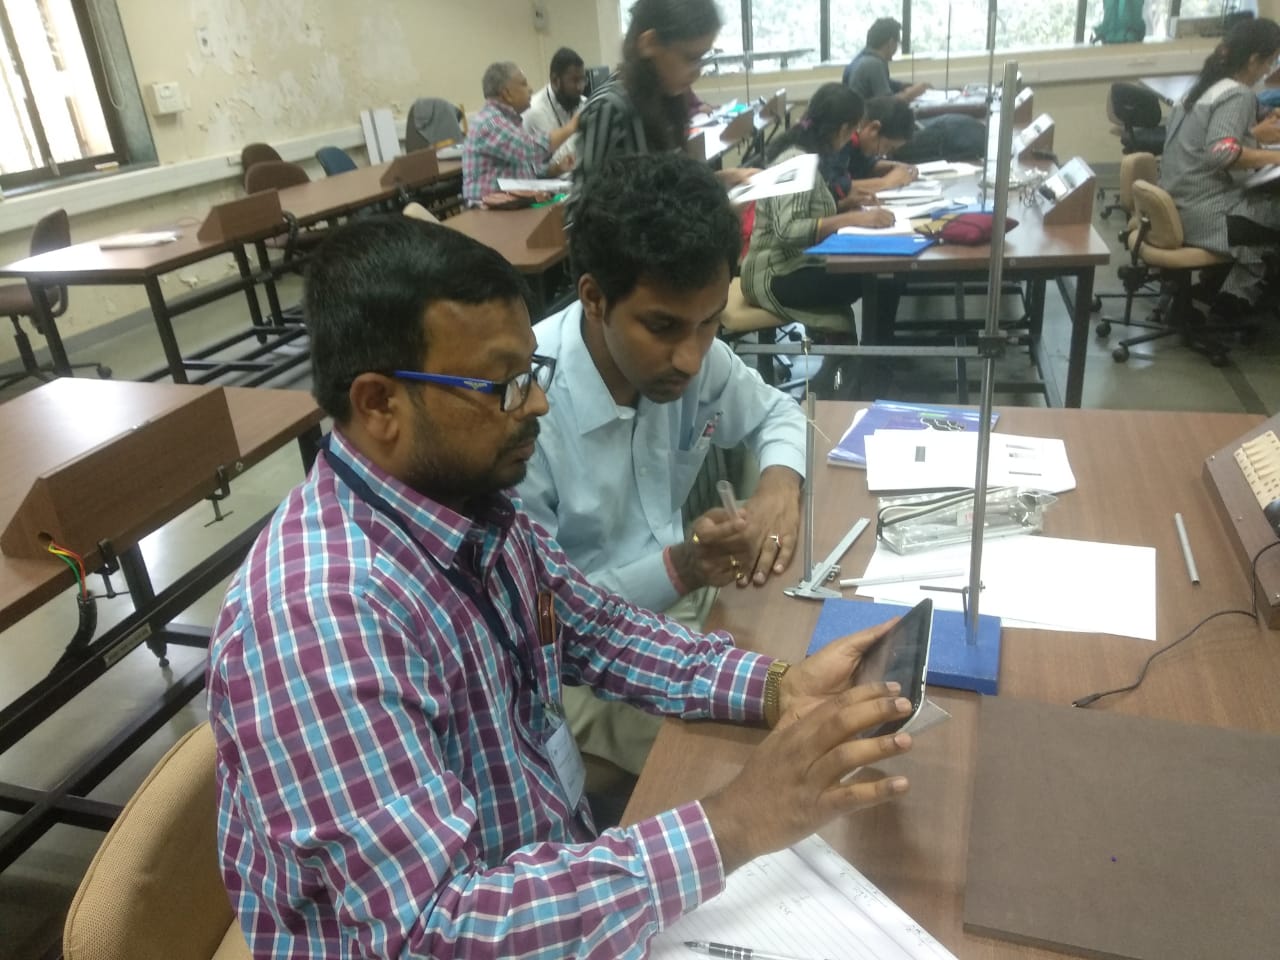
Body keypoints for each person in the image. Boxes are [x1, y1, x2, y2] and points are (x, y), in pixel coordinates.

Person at [206, 214, 915, 958]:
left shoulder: (470, 505)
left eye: (532, 374)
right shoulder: (318, 624)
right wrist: (733, 823)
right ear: (380, 403)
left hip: (539, 871)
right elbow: (434, 932)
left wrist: (775, 686)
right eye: (503, 387)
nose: (537, 405)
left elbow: (595, 628)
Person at [519, 152, 807, 775]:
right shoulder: (523, 408)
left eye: (709, 324)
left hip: (682, 609)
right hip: (575, 670)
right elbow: (539, 618)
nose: (690, 357)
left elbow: (779, 413)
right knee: (752, 760)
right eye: (663, 327)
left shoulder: (690, 354)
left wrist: (778, 489)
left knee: (807, 654)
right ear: (594, 298)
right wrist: (680, 567)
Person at [741, 84, 901, 368]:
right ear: (843, 129)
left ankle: (871, 366)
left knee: (884, 278)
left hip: (794, 265)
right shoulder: (797, 160)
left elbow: (805, 212)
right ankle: (869, 370)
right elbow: (788, 231)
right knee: (879, 279)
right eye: (852, 130)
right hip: (774, 274)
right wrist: (853, 218)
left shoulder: (809, 154)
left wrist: (845, 205)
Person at [1160, 18, 1280, 324]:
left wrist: (1256, 137)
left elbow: (1211, 142)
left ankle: (1223, 290)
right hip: (1208, 216)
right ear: (1253, 59)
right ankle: (1234, 299)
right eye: (1269, 62)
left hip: (1177, 208)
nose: (1269, 71)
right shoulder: (1237, 94)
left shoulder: (1200, 90)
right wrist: (1275, 157)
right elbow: (1222, 152)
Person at [575, 0, 752, 189]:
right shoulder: (609, 108)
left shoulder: (666, 98)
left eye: (702, 59)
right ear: (649, 43)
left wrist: (717, 183)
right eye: (690, 58)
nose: (697, 72)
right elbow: (587, 204)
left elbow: (666, 187)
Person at [462, 61, 578, 205]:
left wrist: (555, 169)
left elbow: (523, 169)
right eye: (524, 84)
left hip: (508, 205)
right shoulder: (490, 123)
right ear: (507, 93)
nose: (530, 89)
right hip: (486, 210)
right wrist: (572, 126)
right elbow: (529, 149)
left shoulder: (507, 120)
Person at [826, 95, 920, 210]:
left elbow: (864, 165)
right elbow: (835, 187)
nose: (884, 154)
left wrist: (894, 166)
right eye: (886, 147)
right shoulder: (840, 140)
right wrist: (886, 182)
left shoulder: (860, 141)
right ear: (873, 129)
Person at [523, 46, 587, 169]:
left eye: (583, 80)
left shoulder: (583, 103)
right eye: (574, 81)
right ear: (555, 80)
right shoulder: (533, 110)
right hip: (547, 178)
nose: (580, 87)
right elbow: (554, 160)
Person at [842, 18, 930, 105]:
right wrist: (911, 93)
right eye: (897, 43)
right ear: (891, 43)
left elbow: (885, 82)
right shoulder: (874, 64)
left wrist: (905, 86)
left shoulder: (859, 60)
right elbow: (888, 104)